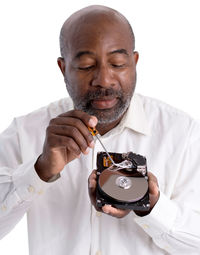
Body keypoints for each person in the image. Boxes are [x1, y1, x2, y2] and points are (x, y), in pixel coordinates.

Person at [0, 4, 200, 255]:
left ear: (134, 62)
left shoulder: (183, 134)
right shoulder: (24, 132)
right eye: (85, 66)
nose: (104, 80)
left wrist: (151, 207)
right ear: (63, 69)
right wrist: (40, 170)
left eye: (117, 64)